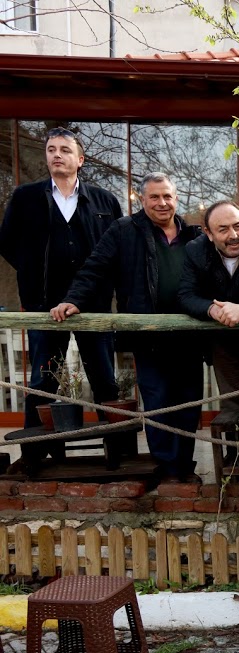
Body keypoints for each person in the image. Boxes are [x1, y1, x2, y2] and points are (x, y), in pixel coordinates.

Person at [50, 172, 204, 483]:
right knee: (159, 403)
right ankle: (168, 470)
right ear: (142, 199)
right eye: (154, 197)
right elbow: (95, 268)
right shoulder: (124, 230)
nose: (162, 202)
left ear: (176, 198)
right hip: (149, 337)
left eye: (167, 196)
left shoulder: (194, 236)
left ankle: (184, 468)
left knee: (188, 405)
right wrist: (73, 299)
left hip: (189, 336)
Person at [0, 126, 121, 467]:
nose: (56, 155)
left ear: (80, 159)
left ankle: (119, 454)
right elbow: (7, 243)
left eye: (65, 150)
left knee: (104, 381)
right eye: (51, 149)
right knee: (42, 381)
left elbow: (117, 250)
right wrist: (32, 274)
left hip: (93, 307)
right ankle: (34, 456)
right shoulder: (25, 198)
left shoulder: (105, 201)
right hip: (43, 306)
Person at [178, 200, 239, 416]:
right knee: (232, 408)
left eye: (237, 226)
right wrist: (211, 310)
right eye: (223, 229)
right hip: (221, 339)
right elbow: (186, 295)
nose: (233, 235)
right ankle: (235, 440)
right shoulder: (195, 250)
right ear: (209, 233)